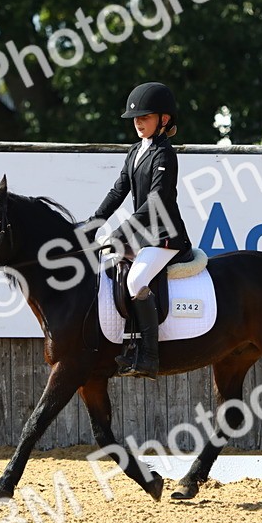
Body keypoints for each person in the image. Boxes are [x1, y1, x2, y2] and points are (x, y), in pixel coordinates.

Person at [86, 82, 193, 379]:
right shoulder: (136, 151)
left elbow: (156, 202)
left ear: (164, 120)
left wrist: (120, 232)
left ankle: (149, 356)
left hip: (165, 237)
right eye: (135, 118)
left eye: (144, 117)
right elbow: (118, 189)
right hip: (143, 236)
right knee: (112, 270)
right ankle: (129, 344)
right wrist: (93, 223)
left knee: (135, 281)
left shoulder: (164, 154)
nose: (137, 122)